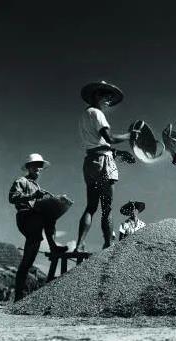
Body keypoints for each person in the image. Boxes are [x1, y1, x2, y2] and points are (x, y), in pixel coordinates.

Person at [75, 81, 134, 251]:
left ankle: (79, 245)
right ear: (97, 96)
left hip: (90, 162)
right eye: (106, 96)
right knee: (107, 208)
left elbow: (98, 144)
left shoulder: (85, 115)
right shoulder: (98, 113)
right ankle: (108, 244)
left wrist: (119, 153)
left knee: (91, 206)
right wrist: (130, 136)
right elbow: (110, 138)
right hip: (103, 163)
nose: (108, 100)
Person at [9, 153, 68, 302]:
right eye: (35, 165)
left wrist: (52, 200)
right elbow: (12, 198)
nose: (39, 168)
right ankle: (18, 296)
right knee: (44, 216)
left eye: (40, 166)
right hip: (25, 217)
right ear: (28, 167)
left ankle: (53, 245)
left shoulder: (36, 185)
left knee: (29, 259)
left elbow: (38, 202)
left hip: (35, 218)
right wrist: (33, 196)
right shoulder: (21, 181)